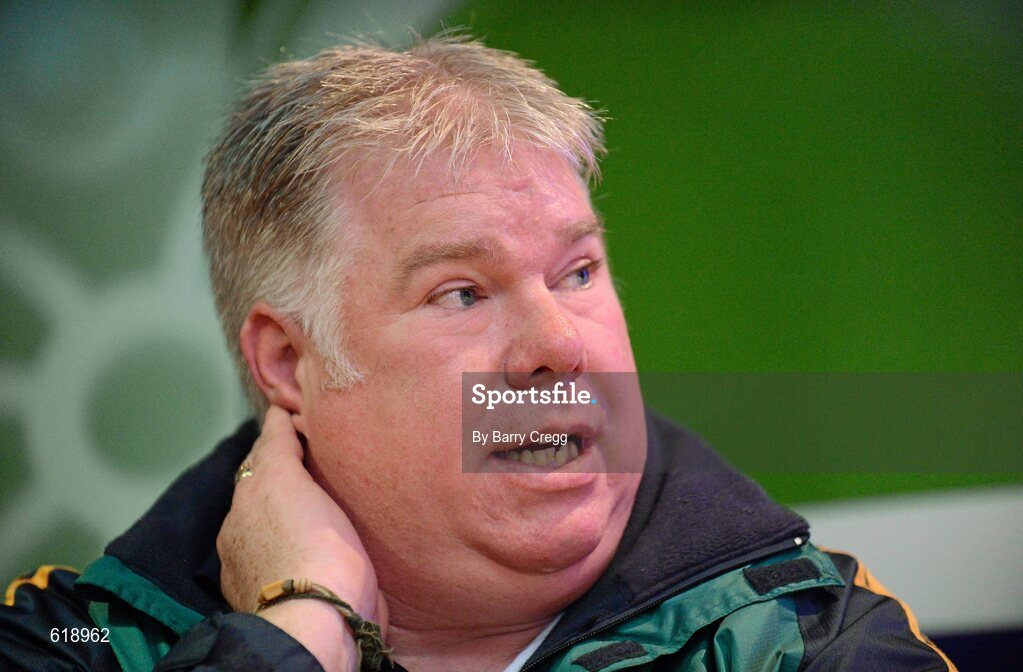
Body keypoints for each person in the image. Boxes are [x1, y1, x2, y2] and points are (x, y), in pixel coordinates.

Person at [1, 35, 956, 672]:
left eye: (577, 272)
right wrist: (293, 631)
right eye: (460, 292)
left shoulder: (806, 644)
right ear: (289, 364)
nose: (557, 348)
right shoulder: (82, 639)